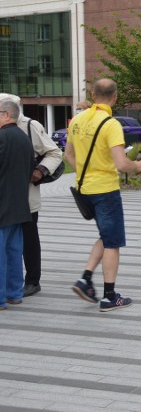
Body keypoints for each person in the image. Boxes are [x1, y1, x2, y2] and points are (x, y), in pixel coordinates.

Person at [66, 79, 141, 311]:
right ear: (115, 97)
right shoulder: (110, 124)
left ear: (93, 94)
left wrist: (85, 172)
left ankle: (85, 279)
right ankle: (109, 296)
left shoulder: (78, 120)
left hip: (84, 188)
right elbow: (121, 164)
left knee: (105, 234)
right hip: (105, 190)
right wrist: (138, 167)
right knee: (113, 242)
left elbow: (68, 155)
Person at [0, 93, 63, 297]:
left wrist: (40, 171)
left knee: (28, 237)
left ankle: (32, 280)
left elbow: (54, 152)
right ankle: (12, 286)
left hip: (26, 193)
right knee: (10, 243)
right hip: (6, 195)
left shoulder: (30, 126)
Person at [0, 99, 34, 310]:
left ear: (7, 115)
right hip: (19, 204)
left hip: (2, 204)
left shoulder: (2, 137)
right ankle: (14, 293)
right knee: (14, 252)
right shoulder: (24, 138)